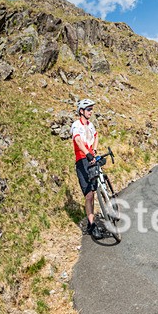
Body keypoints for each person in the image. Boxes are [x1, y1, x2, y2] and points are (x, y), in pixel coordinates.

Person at [72, 98, 102, 239]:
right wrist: (87, 154)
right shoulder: (76, 125)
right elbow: (78, 141)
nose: (91, 112)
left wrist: (94, 150)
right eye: (88, 109)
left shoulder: (91, 125)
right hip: (82, 160)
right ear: (81, 111)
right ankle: (92, 226)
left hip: (91, 157)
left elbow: (96, 136)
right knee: (89, 195)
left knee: (94, 191)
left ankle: (91, 222)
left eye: (91, 109)